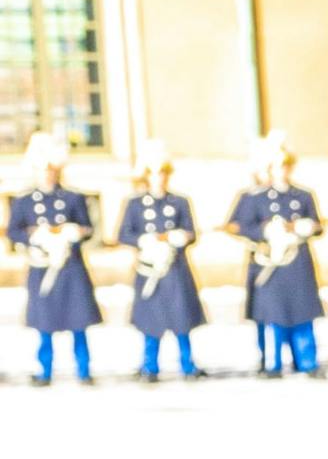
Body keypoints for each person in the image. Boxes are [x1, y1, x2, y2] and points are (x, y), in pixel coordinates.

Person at [229, 138, 326, 378]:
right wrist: (265, 231)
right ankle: (271, 362)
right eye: (277, 166)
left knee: (302, 313)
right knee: (271, 314)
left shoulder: (303, 196)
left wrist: (305, 227)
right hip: (268, 264)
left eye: (286, 166)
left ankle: (307, 361)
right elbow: (236, 226)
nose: (282, 171)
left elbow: (318, 225)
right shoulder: (254, 198)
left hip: (296, 263)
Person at [10, 131, 98, 385]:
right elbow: (14, 231)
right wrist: (36, 238)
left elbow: (88, 228)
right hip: (42, 267)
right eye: (43, 169)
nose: (48, 174)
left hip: (70, 269)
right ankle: (44, 371)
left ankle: (84, 370)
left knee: (78, 322)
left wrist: (72, 232)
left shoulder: (73, 198)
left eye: (51, 169)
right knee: (44, 324)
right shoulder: (24, 201)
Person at [116, 139, 205, 381]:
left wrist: (179, 237)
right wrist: (145, 241)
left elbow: (191, 233)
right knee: (150, 321)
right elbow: (124, 233)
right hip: (149, 269)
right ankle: (149, 366)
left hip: (175, 270)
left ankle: (188, 365)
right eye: (154, 174)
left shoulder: (179, 202)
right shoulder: (134, 204)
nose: (159, 179)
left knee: (181, 319)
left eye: (163, 174)